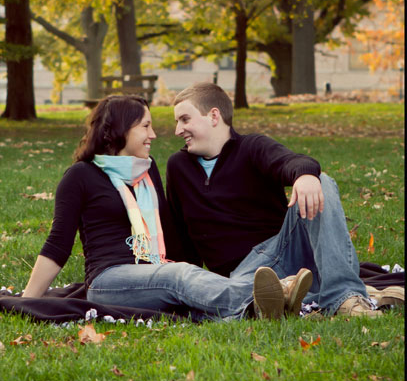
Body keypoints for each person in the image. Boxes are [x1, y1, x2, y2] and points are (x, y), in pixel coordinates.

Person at [20, 95, 312, 322]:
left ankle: (261, 306)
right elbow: (58, 245)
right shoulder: (80, 176)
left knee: (187, 289)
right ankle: (274, 298)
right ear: (121, 129)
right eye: (145, 126)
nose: (154, 135)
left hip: (155, 274)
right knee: (180, 277)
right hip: (110, 280)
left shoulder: (147, 171)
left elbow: (168, 230)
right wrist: (28, 301)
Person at [166, 82, 384, 318]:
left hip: (284, 249)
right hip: (243, 276)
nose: (178, 130)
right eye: (177, 122)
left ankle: (344, 297)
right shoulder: (179, 167)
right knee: (230, 295)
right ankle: (298, 297)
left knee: (319, 180)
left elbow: (294, 162)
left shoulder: (251, 147)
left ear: (214, 116)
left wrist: (306, 175)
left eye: (185, 119)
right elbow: (182, 238)